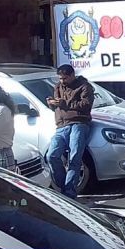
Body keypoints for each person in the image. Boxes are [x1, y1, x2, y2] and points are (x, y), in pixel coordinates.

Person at [45, 64, 94, 198]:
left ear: (72, 75)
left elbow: (86, 105)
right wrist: (52, 104)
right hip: (61, 125)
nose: (62, 81)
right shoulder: (58, 87)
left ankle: (70, 193)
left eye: (65, 78)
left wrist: (64, 103)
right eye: (60, 79)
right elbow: (58, 107)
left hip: (79, 123)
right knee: (52, 155)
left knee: (75, 157)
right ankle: (63, 188)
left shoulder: (84, 86)